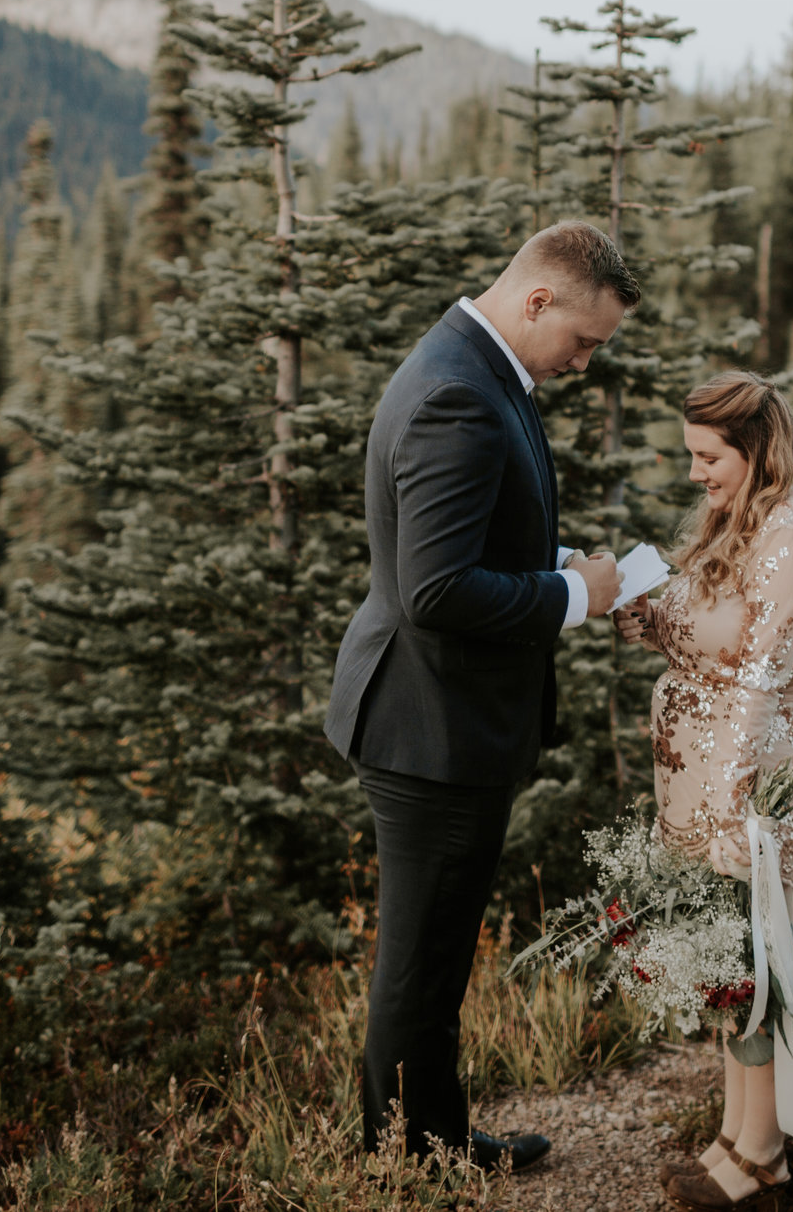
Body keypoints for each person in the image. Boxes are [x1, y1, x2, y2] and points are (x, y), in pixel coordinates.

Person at [326, 219, 639, 1172]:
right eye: (583, 341)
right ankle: (410, 1159)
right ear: (536, 300)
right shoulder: (459, 392)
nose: (585, 362)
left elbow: (462, 545)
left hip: (442, 717)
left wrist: (549, 560)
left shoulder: (478, 365)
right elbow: (435, 590)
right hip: (430, 726)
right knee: (419, 965)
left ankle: (432, 1139)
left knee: (435, 958)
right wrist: (571, 598)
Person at [613, 372, 793, 1208]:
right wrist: (638, 608)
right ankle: (733, 1136)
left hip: (750, 788)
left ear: (756, 448)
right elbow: (699, 622)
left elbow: (755, 680)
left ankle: (767, 1156)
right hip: (694, 782)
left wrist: (735, 807)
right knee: (728, 972)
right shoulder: (736, 522)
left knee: (762, 971)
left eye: (709, 456)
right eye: (692, 456)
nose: (697, 472)